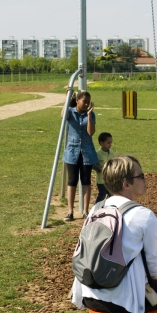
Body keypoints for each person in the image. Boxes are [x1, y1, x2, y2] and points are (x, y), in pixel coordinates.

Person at [71, 155, 157, 313]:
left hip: (88, 293)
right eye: (140, 176)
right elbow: (154, 270)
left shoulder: (97, 208)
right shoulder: (144, 216)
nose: (145, 178)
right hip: (122, 302)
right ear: (126, 184)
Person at [61, 89, 97, 221]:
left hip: (87, 152)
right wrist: (67, 98)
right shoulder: (70, 111)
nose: (86, 104)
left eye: (88, 102)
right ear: (77, 100)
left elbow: (90, 132)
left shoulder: (91, 114)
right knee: (72, 181)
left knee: (86, 180)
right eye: (84, 101)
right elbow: (63, 115)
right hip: (72, 151)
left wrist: (89, 115)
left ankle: (86, 211)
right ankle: (70, 211)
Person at [93, 132, 115, 204]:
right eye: (108, 143)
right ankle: (96, 208)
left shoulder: (111, 153)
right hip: (101, 181)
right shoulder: (97, 154)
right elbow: (93, 164)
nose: (110, 144)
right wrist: (100, 169)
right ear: (101, 143)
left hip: (110, 180)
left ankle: (112, 209)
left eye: (111, 142)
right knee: (102, 195)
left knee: (112, 195)